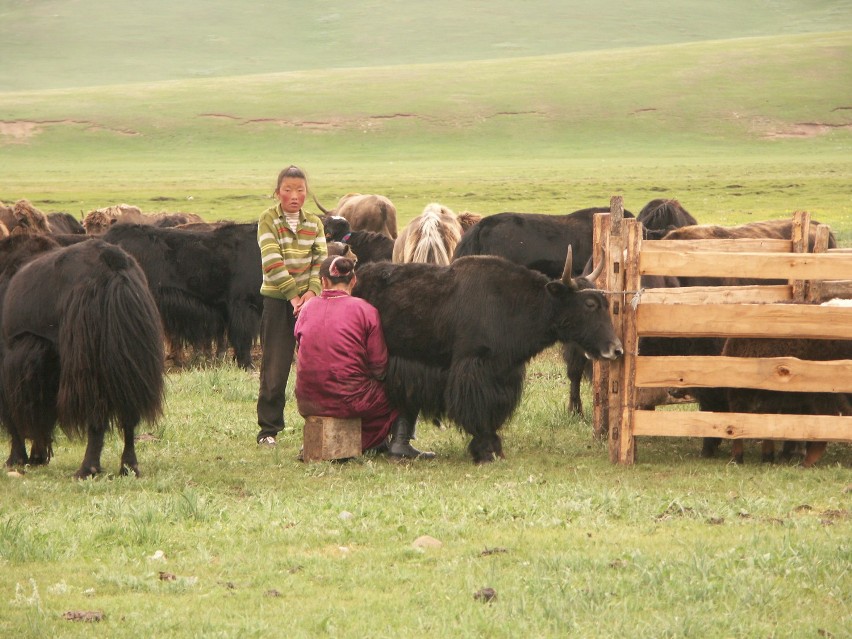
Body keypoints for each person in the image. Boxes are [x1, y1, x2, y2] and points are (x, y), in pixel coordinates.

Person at [294, 255, 435, 459]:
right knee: (406, 381)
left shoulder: (306, 308)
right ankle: (400, 443)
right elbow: (379, 366)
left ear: (323, 281)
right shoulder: (365, 310)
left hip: (308, 400)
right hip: (350, 401)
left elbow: (302, 348)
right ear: (353, 281)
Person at [256, 165, 327, 446]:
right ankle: (268, 429)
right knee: (275, 366)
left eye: (299, 190)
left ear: (306, 194)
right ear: (277, 193)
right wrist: (294, 296)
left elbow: (321, 258)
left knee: (319, 363)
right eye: (288, 190)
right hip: (277, 301)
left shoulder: (314, 223)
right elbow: (271, 261)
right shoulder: (268, 220)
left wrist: (312, 291)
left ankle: (320, 421)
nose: (294, 196)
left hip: (310, 301)